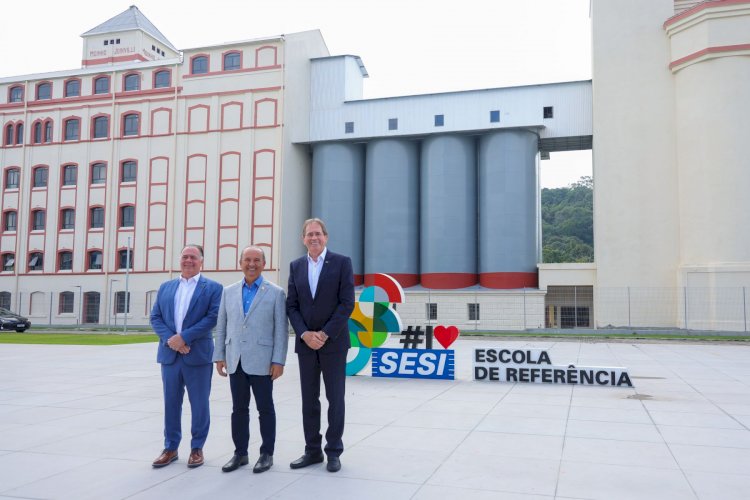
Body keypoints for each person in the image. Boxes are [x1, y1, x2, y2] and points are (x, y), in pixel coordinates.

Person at [287, 218, 354, 473]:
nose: (314, 238)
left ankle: (334, 450)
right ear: (303, 239)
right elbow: (291, 306)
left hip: (333, 343)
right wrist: (304, 334)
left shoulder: (341, 263)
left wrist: (324, 334)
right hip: (306, 345)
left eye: (318, 234)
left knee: (335, 398)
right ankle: (312, 451)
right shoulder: (296, 266)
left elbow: (346, 303)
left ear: (326, 237)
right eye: (309, 234)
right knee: (309, 399)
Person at [213, 246, 288, 474]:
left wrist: (279, 361)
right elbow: (222, 325)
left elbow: (281, 330)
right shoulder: (229, 291)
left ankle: (267, 453)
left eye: (256, 260)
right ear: (240, 263)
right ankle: (240, 453)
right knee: (239, 409)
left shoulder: (275, 293)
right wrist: (219, 356)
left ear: (264, 264)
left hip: (263, 361)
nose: (252, 264)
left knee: (265, 409)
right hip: (235, 359)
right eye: (247, 260)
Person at [150, 244, 223, 469]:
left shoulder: (213, 288)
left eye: (193, 257)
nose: (188, 260)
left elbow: (213, 317)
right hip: (170, 355)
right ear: (179, 260)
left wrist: (184, 338)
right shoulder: (166, 287)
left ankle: (197, 448)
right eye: (185, 257)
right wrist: (173, 340)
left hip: (197, 356)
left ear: (201, 261)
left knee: (199, 404)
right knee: (171, 403)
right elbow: (156, 318)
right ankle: (170, 448)